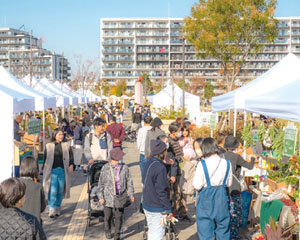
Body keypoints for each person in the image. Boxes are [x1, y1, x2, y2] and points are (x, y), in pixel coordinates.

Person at [193, 138, 233, 240]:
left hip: (205, 201)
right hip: (221, 199)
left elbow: (197, 185)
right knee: (223, 229)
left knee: (205, 232)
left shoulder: (202, 164)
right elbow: (229, 183)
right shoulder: (227, 163)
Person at [223, 135, 255, 239]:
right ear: (235, 146)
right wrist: (253, 159)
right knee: (234, 213)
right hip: (234, 188)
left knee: (224, 212)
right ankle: (233, 235)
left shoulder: (221, 156)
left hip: (223, 188)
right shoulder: (236, 157)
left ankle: (224, 234)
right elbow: (250, 166)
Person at [98, 148, 135, 240]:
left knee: (119, 217)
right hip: (107, 197)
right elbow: (101, 184)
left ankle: (117, 234)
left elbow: (129, 182)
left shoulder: (125, 167)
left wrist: (131, 194)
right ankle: (108, 230)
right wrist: (101, 197)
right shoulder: (105, 168)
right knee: (108, 216)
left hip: (120, 197)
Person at [142, 140, 173, 240]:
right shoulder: (160, 167)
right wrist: (168, 209)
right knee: (158, 234)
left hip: (147, 203)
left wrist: (167, 166)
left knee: (152, 230)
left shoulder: (149, 162)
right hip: (157, 206)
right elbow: (161, 191)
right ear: (162, 153)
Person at [43, 128, 74, 218]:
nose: (61, 136)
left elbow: (71, 156)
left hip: (63, 170)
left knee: (60, 190)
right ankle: (51, 208)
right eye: (59, 134)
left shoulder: (66, 145)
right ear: (54, 135)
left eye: (62, 134)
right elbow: (44, 157)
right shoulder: (49, 145)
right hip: (52, 171)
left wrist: (71, 164)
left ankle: (57, 206)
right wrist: (42, 169)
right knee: (53, 190)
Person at [167, 122, 189, 221]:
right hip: (175, 170)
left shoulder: (176, 140)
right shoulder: (169, 142)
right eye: (179, 131)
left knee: (182, 191)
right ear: (173, 132)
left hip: (181, 167)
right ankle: (175, 212)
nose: (181, 132)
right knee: (177, 192)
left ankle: (183, 211)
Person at [19, 156, 46, 224]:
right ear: (35, 169)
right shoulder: (38, 187)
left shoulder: (15, 184)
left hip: (17, 223)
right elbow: (42, 207)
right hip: (34, 224)